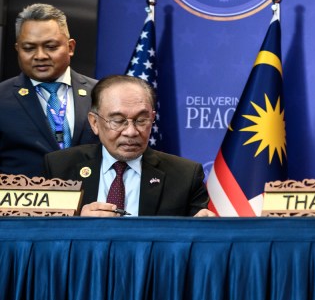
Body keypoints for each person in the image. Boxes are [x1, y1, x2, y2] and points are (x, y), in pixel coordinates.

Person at [43, 75, 211, 216]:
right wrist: (75, 220)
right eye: (118, 121)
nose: (131, 132)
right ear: (94, 122)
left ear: (152, 119)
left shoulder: (185, 176)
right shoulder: (60, 168)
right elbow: (40, 235)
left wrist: (206, 230)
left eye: (141, 120)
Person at [0, 3, 99, 176]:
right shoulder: (2, 97)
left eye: (51, 47)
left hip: (90, 200)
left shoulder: (99, 93)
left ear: (70, 47)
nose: (40, 56)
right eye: (29, 48)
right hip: (22, 201)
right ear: (18, 49)